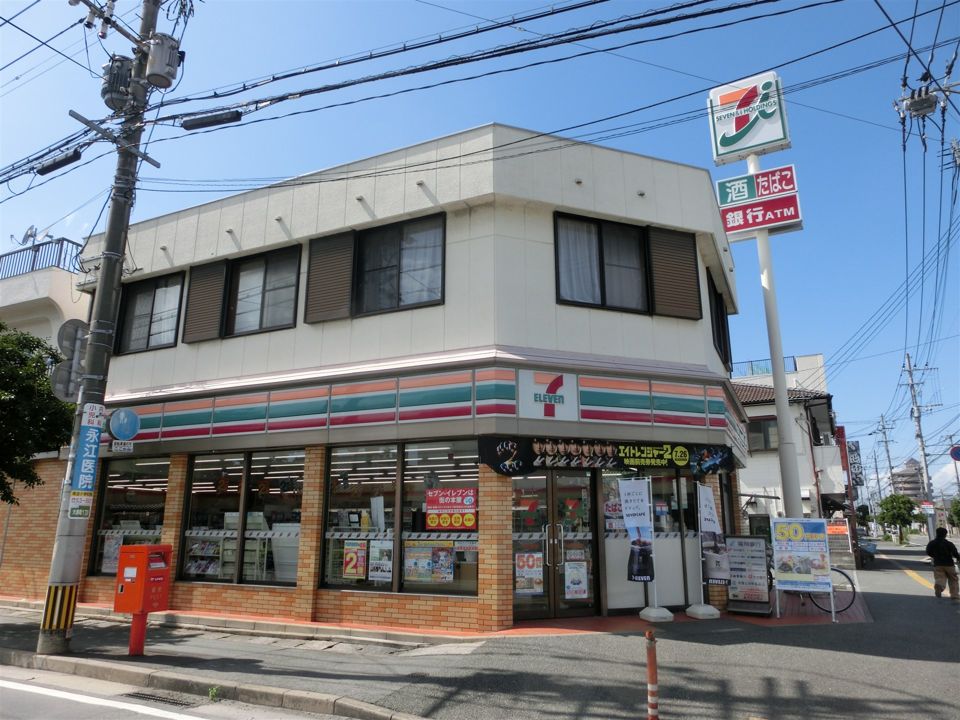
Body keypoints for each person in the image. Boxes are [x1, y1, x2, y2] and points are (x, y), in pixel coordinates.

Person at [925, 527, 960, 600]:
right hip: (949, 564)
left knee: (940, 577)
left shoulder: (932, 543)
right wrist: (958, 558)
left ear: (937, 534)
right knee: (953, 579)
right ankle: (954, 595)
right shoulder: (949, 543)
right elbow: (955, 553)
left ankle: (939, 586)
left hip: (937, 563)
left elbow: (928, 552)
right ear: (945, 535)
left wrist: (934, 556)